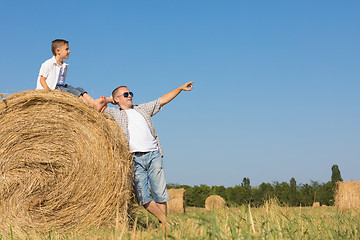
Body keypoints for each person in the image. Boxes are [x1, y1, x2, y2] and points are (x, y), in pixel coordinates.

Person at [104, 81, 194, 227]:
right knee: (142, 196)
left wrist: (179, 89)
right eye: (125, 94)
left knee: (160, 193)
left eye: (130, 93)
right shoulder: (113, 113)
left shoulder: (142, 109)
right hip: (133, 158)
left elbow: (162, 100)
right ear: (117, 99)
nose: (130, 96)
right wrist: (109, 99)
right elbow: (95, 104)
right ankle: (167, 223)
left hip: (153, 154)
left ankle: (163, 227)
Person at [36, 39, 106, 112]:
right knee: (74, 92)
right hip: (53, 87)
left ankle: (95, 104)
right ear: (58, 51)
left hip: (62, 86)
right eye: (66, 49)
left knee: (80, 90)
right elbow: (42, 79)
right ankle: (89, 108)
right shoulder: (48, 63)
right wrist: (48, 90)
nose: (69, 51)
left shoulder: (64, 65)